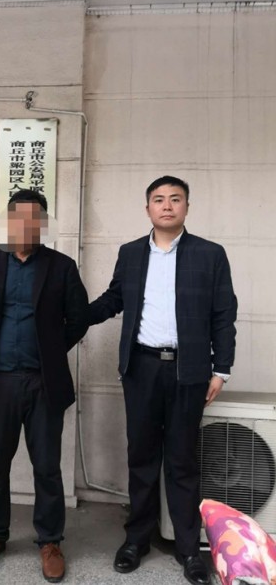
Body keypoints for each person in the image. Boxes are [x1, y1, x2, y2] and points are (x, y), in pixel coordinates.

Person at [88, 176, 237, 585]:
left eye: (175, 199)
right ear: (148, 208)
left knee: (182, 460)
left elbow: (223, 314)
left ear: (187, 207)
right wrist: (74, 315)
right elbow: (114, 299)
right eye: (159, 199)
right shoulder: (131, 253)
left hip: (189, 369)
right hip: (141, 368)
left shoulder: (210, 254)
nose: (167, 205)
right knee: (141, 457)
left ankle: (189, 549)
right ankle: (136, 539)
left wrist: (221, 370)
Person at [0, 188, 88, 583]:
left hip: (43, 382)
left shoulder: (62, 267)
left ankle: (50, 541)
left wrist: (50, 349)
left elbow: (78, 318)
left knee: (47, 467)